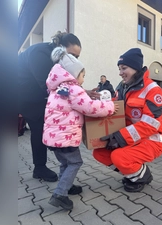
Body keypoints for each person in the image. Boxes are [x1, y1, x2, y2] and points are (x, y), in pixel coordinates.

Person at [18, 31, 100, 182]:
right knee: (39, 127)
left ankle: (55, 171)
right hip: (22, 95)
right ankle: (40, 168)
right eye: (71, 55)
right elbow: (49, 86)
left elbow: (64, 85)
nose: (73, 60)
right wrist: (80, 96)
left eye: (77, 57)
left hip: (34, 94)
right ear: (60, 48)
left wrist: (84, 92)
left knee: (44, 127)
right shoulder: (40, 54)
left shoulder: (56, 60)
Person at [44, 47, 118, 210]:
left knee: (65, 163)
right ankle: (60, 194)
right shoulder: (73, 89)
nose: (83, 79)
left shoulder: (56, 90)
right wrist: (110, 106)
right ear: (73, 75)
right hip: (66, 138)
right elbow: (91, 107)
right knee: (75, 162)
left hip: (54, 138)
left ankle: (67, 186)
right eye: (83, 75)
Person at [93, 48, 162, 192]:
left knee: (118, 156)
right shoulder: (123, 87)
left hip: (153, 138)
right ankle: (131, 172)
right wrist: (95, 105)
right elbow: (114, 107)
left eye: (124, 68)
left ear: (135, 68)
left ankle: (142, 176)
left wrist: (119, 137)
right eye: (119, 68)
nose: (120, 72)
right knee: (99, 153)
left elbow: (149, 126)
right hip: (132, 137)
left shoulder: (153, 90)